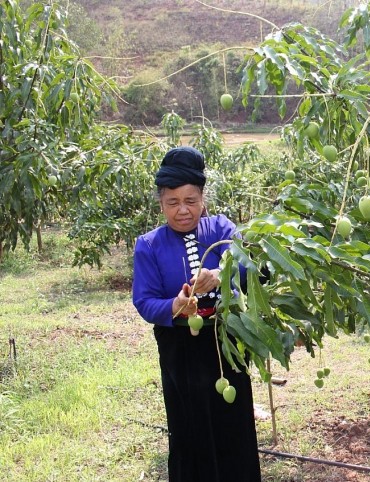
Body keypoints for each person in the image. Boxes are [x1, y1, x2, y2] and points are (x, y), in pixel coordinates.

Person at [132, 146, 261, 481]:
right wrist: (175, 306)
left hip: (226, 341)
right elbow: (144, 301)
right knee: (190, 427)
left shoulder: (220, 229)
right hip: (181, 349)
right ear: (160, 204)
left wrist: (222, 273)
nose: (183, 210)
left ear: (203, 199)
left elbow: (254, 267)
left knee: (233, 425)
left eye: (190, 200)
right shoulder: (148, 245)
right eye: (173, 202)